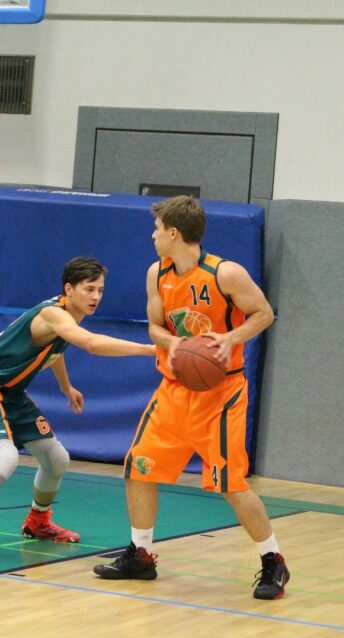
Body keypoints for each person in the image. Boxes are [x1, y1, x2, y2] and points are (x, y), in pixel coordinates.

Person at [93, 195, 290, 600]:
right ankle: (141, 554)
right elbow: (154, 327)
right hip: (174, 389)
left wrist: (230, 338)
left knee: (231, 484)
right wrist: (175, 344)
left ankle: (273, 560)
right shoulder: (157, 273)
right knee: (139, 468)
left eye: (156, 229)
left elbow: (264, 313)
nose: (152, 236)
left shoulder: (225, 274)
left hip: (221, 393)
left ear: (173, 233)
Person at [0, 256, 157, 569]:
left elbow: (55, 351)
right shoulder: (53, 314)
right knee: (5, 459)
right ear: (69, 289)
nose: (96, 296)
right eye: (89, 289)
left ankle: (38, 521)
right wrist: (150, 349)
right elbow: (90, 344)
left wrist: (66, 387)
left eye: (100, 290)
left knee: (57, 459)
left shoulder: (68, 316)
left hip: (10, 392)